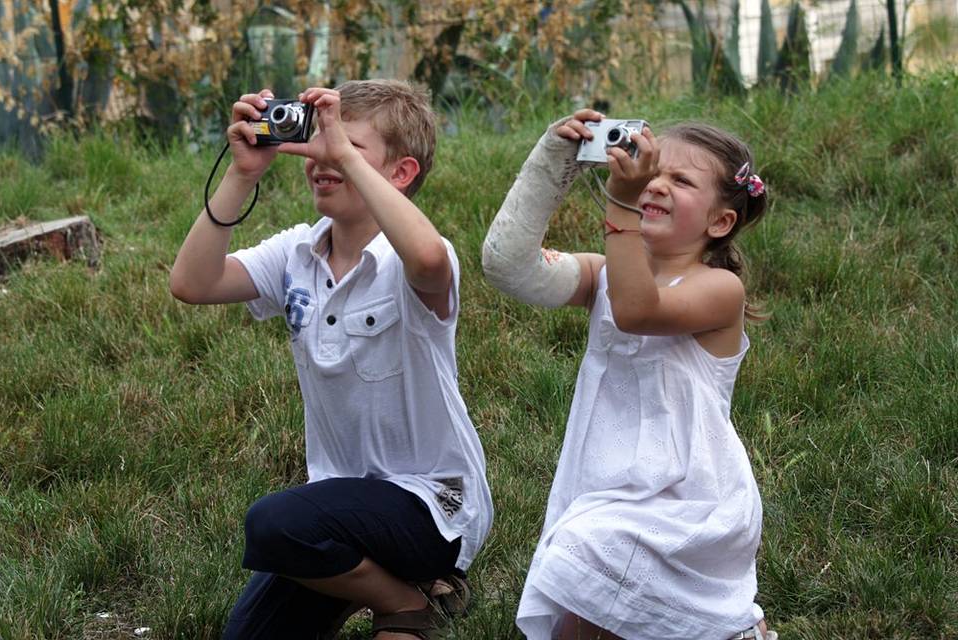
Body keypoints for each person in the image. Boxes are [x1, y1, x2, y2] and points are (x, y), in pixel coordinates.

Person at [170, 79, 493, 640]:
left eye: (347, 144)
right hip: (337, 509)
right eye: (319, 139)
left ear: (401, 173)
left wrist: (339, 149)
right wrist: (242, 172)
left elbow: (427, 257)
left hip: (431, 506)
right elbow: (191, 282)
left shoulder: (409, 259)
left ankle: (407, 599)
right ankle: (399, 597)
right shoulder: (296, 252)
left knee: (273, 523)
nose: (322, 155)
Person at [482, 110, 776, 640]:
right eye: (653, 171)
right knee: (580, 619)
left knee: (591, 567)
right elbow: (508, 265)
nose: (656, 184)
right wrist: (552, 160)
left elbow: (638, 310)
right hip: (609, 490)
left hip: (688, 499)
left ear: (720, 222)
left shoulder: (719, 289)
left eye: (680, 180)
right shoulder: (602, 273)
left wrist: (622, 206)